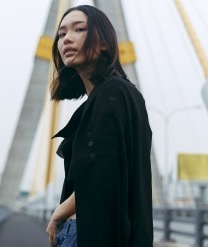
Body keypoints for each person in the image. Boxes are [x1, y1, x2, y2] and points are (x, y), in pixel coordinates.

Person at [46, 5, 153, 247]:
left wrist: (58, 214)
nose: (67, 39)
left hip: (87, 232)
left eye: (79, 29)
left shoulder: (111, 94)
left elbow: (100, 172)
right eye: (62, 34)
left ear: (104, 43)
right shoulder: (120, 93)